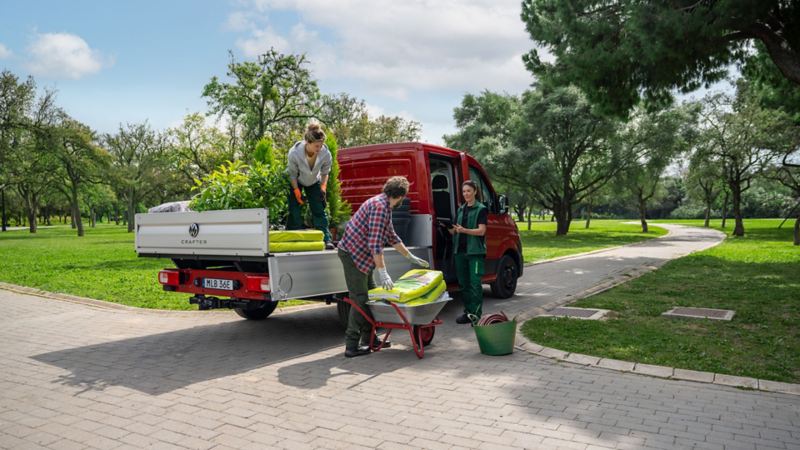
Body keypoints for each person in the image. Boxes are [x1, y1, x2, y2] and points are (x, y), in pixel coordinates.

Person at [337, 176, 430, 357]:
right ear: (401, 196)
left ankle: (370, 339)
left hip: (362, 256)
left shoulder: (384, 205)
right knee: (359, 299)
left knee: (373, 296)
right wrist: (383, 272)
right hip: (353, 255)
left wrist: (409, 255)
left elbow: (392, 236)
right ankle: (351, 345)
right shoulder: (380, 208)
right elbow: (375, 244)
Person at [286, 122, 335, 249]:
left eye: (321, 145)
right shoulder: (294, 153)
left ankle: (326, 239)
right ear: (307, 142)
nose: (319, 148)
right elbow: (292, 174)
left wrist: (323, 187)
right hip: (297, 181)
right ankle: (293, 239)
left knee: (319, 210)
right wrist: (296, 190)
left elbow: (325, 172)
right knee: (295, 210)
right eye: (316, 146)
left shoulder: (325, 153)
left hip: (314, 182)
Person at [450, 180, 488, 324]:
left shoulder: (481, 209)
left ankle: (476, 316)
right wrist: (450, 228)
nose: (466, 194)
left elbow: (482, 231)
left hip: (475, 253)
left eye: (469, 191)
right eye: (464, 191)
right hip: (460, 251)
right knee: (463, 284)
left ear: (475, 192)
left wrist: (464, 230)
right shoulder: (461, 209)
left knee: (475, 284)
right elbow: (455, 229)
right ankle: (468, 312)